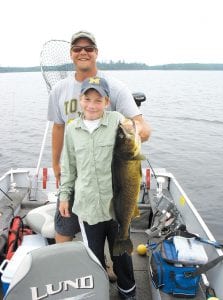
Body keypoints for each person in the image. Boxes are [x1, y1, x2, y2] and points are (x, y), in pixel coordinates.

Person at [47, 30, 150, 243]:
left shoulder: (116, 87)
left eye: (88, 48)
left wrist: (131, 130)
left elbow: (144, 129)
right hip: (77, 167)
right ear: (71, 54)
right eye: (77, 48)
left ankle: (110, 265)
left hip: (106, 174)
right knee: (64, 224)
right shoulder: (59, 90)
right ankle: (63, 267)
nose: (83, 52)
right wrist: (56, 164)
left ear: (96, 52)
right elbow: (58, 128)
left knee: (108, 223)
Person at [59, 76, 137, 299]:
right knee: (92, 256)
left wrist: (134, 126)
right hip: (87, 207)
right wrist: (64, 196)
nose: (92, 105)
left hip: (117, 206)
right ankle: (97, 292)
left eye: (98, 100)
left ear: (107, 102)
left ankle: (128, 292)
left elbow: (136, 132)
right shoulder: (72, 129)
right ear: (80, 99)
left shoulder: (117, 120)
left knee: (122, 255)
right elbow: (69, 166)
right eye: (87, 98)